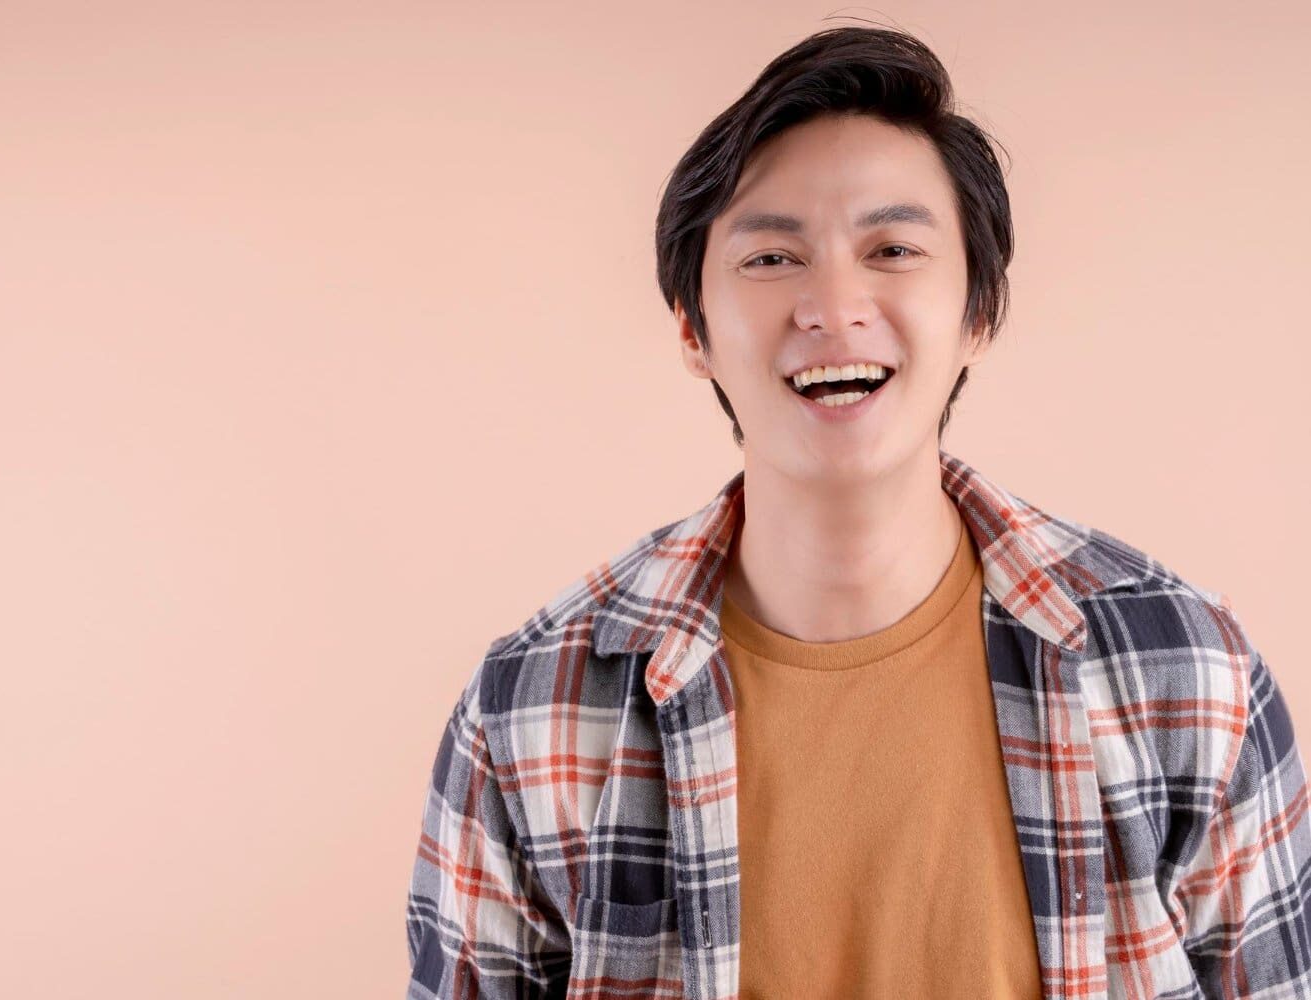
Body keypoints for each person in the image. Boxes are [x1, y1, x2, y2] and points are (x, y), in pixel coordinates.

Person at [404, 23, 1310, 1000]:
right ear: (690, 329)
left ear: (976, 313)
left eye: (890, 248)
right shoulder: (531, 707)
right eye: (769, 260)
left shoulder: (1184, 671)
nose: (832, 305)